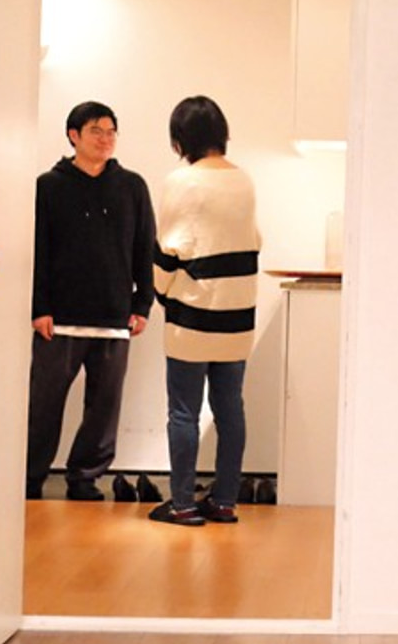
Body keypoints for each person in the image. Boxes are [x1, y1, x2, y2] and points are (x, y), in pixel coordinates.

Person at [26, 101, 156, 501]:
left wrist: (142, 304)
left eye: (111, 131)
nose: (105, 139)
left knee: (104, 406)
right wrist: (39, 308)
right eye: (96, 130)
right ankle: (28, 477)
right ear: (74, 135)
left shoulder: (132, 187)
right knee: (42, 405)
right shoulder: (49, 186)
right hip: (59, 320)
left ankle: (84, 478)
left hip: (114, 317)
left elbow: (144, 248)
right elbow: (37, 251)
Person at [149, 95, 260, 526]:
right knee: (231, 408)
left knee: (183, 411)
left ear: (181, 139)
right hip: (238, 313)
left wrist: (161, 293)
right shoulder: (243, 180)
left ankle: (182, 504)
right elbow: (255, 239)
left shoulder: (182, 181)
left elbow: (169, 250)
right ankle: (225, 501)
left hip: (193, 314)